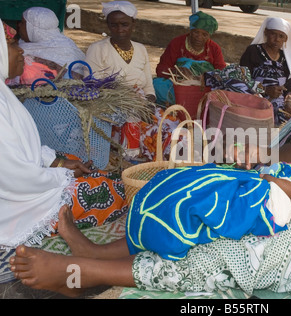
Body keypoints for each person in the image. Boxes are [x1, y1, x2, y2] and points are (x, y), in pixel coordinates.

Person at [9, 7, 291, 299]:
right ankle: (99, 251)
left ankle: (85, 271)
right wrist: (250, 168)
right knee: (199, 191)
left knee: (230, 252)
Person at [0, 20, 128, 251]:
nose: (21, 50)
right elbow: (11, 173)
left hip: (27, 178)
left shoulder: (3, 93)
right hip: (17, 199)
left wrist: (60, 162)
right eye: (10, 44)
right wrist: (61, 177)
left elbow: (22, 148)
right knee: (111, 192)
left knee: (83, 166)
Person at [85, 1, 178, 162]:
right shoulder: (97, 49)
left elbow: (149, 85)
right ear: (107, 25)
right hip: (112, 109)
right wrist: (128, 104)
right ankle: (134, 162)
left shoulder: (141, 49)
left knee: (173, 128)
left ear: (133, 24)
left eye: (124, 24)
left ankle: (167, 165)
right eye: (114, 25)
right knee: (136, 126)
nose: (120, 29)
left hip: (142, 105)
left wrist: (147, 103)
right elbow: (91, 85)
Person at [153, 11, 226, 105]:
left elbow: (222, 72)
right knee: (157, 84)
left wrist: (206, 77)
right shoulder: (177, 43)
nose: (199, 37)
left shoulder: (214, 48)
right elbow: (160, 69)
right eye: (196, 32)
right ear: (190, 30)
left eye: (204, 35)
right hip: (179, 86)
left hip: (203, 88)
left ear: (209, 36)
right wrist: (176, 72)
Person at [240, 17, 291, 126]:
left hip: (280, 105)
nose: (276, 39)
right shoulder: (253, 51)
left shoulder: (287, 60)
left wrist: (289, 103)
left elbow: (290, 89)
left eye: (281, 36)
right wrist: (265, 90)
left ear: (285, 39)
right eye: (273, 34)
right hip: (254, 102)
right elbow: (241, 81)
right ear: (266, 32)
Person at [11, 7, 86, 85]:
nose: (19, 25)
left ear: (33, 28)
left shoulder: (65, 48)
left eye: (23, 23)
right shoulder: (23, 44)